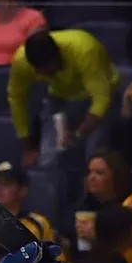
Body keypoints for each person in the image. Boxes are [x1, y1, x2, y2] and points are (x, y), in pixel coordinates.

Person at [10, 28, 116, 182]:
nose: (46, 75)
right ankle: (50, 201)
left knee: (94, 157)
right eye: (41, 72)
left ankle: (91, 202)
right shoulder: (21, 61)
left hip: (100, 95)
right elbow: (16, 100)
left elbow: (101, 100)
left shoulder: (84, 49)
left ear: (58, 55)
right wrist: (28, 148)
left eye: (50, 70)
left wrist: (78, 134)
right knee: (48, 158)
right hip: (60, 97)